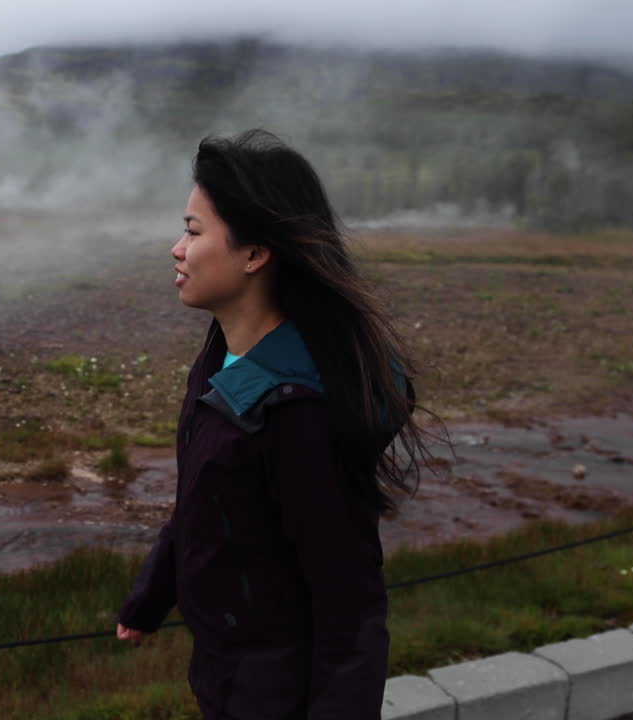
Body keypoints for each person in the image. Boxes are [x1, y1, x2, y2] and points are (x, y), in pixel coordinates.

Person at [115, 129, 429, 719]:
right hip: (227, 674)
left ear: (255, 254)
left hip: (274, 696)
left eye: (191, 231)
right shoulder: (222, 352)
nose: (175, 250)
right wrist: (150, 598)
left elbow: (350, 603)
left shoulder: (297, 410)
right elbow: (203, 498)